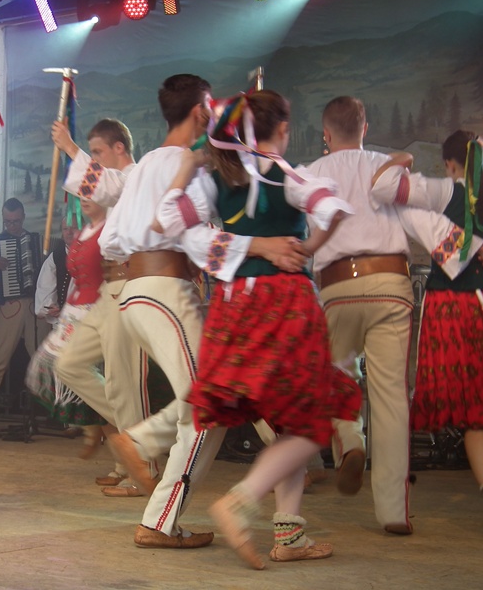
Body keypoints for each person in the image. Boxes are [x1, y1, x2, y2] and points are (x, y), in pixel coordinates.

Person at [98, 75, 308, 549]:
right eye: (211, 109)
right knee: (207, 408)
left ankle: (154, 483)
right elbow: (193, 234)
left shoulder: (145, 164)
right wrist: (258, 246)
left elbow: (110, 239)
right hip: (167, 289)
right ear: (199, 113)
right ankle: (152, 486)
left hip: (135, 290)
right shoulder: (191, 164)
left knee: (211, 400)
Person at [154, 89, 360, 568]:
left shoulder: (215, 180)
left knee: (289, 421)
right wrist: (307, 249)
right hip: (285, 304)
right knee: (310, 419)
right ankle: (241, 501)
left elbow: (166, 220)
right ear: (282, 130)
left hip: (234, 308)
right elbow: (333, 208)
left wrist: (185, 171)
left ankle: (289, 534)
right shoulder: (287, 175)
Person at [305, 96, 416, 534]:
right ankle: (393, 512)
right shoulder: (386, 167)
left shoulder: (312, 172)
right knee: (392, 397)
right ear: (364, 128)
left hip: (338, 287)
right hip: (391, 283)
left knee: (338, 377)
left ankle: (351, 441)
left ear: (326, 134)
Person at [369, 130, 483, 492]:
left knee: (474, 412)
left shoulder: (447, 190)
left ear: (450, 164)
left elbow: (383, 187)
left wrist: (400, 160)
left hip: (456, 306)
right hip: (471, 299)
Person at [52, 118, 152, 495]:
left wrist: (70, 148)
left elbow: (104, 186)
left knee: (123, 382)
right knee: (68, 363)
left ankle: (141, 463)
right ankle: (138, 437)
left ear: (119, 148)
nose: (94, 159)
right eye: (91, 153)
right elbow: (97, 188)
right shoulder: (116, 185)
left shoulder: (137, 177)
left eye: (98, 152)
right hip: (111, 288)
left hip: (130, 285)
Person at [27, 201, 116, 458]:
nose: (85, 200)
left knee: (93, 374)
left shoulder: (109, 230)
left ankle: (111, 428)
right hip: (74, 311)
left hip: (96, 310)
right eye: (65, 228)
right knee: (51, 368)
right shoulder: (83, 236)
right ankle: (93, 423)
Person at [0, 197, 47, 427]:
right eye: (8, 222)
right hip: (9, 306)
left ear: (23, 217)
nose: (12, 226)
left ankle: (49, 410)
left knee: (43, 357)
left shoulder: (36, 241)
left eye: (16, 221)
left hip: (34, 306)